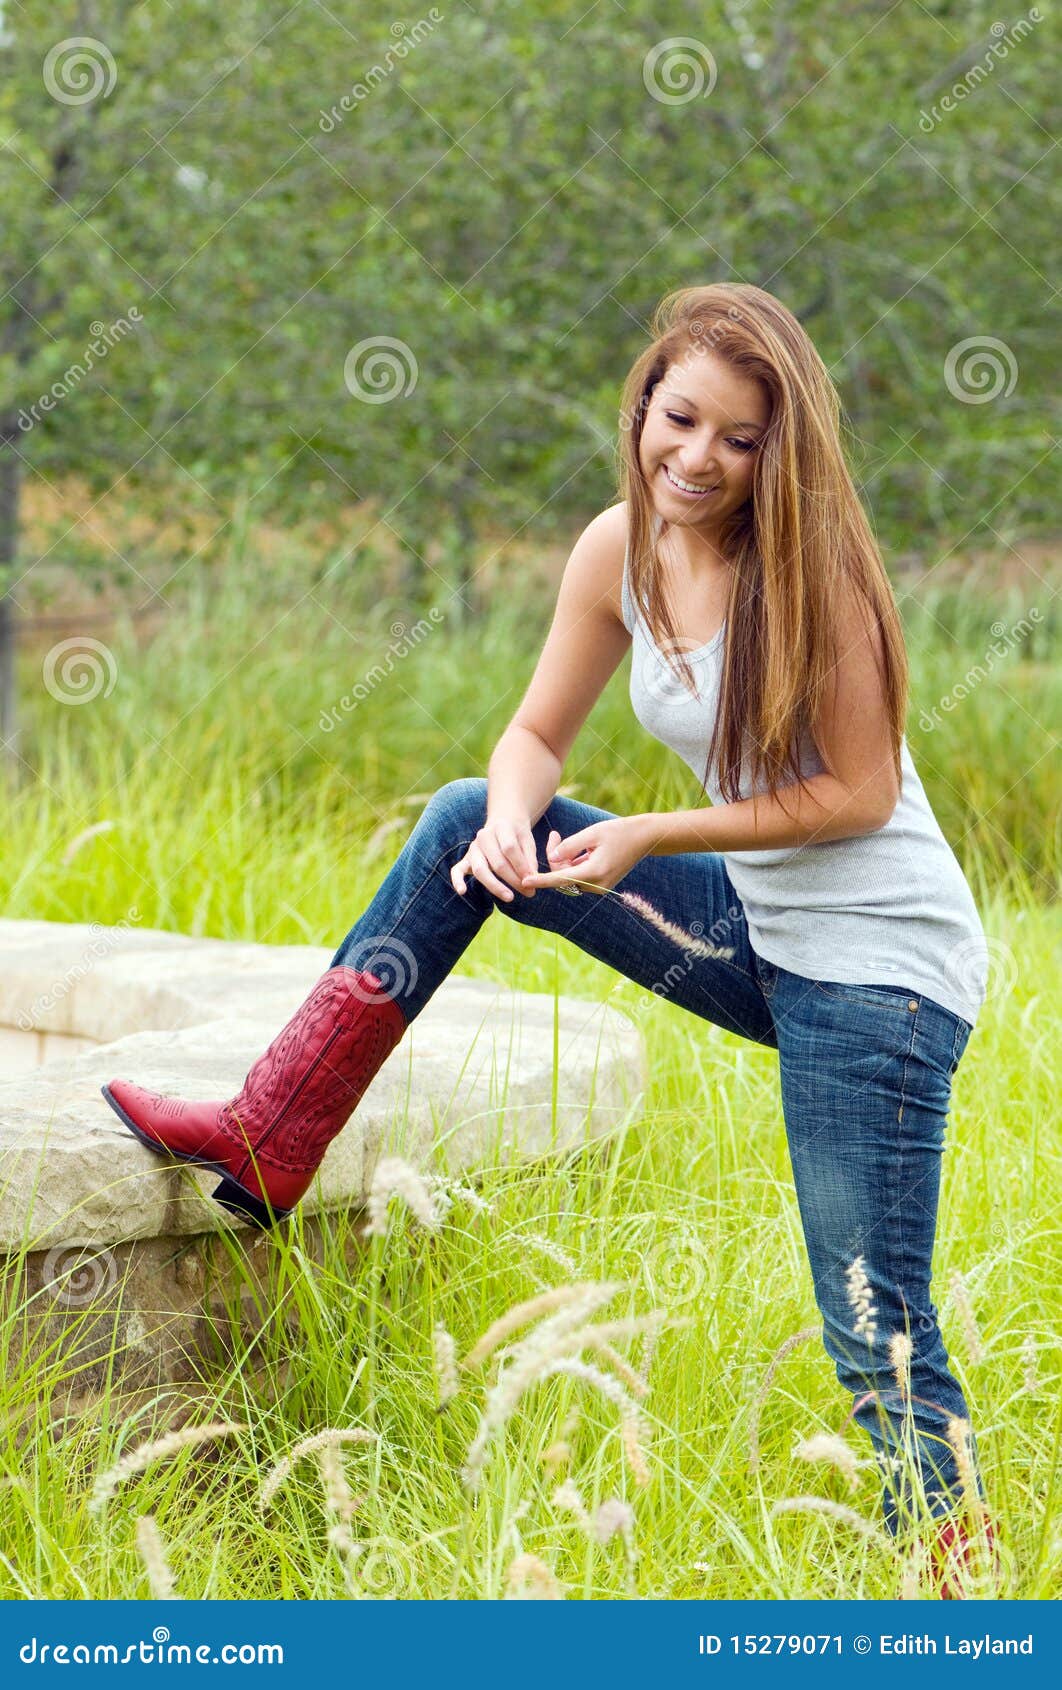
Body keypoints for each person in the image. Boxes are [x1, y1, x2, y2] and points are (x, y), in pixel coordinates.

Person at [102, 281, 996, 1587]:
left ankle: (958, 1586)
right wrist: (516, 824)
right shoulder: (615, 548)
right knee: (465, 813)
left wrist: (646, 835)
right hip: (758, 934)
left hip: (878, 976)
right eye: (675, 417)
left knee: (873, 1328)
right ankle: (269, 1126)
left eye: (735, 439)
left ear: (776, 451)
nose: (694, 456)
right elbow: (530, 736)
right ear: (641, 404)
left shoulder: (816, 576)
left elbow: (853, 794)